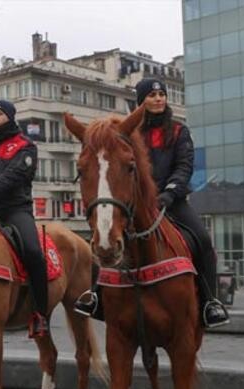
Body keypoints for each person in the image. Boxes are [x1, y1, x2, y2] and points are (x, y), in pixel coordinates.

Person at [75, 78, 229, 328]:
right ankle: (96, 295)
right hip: (136, 205)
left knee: (202, 240)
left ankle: (210, 301)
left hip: (172, 202)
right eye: (151, 95)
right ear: (140, 101)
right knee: (105, 238)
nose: (158, 98)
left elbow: (184, 166)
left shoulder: (179, 131)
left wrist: (169, 192)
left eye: (161, 94)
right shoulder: (128, 133)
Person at [0, 99, 49, 337]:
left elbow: (15, 176)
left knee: (34, 253)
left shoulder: (25, 146)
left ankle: (40, 314)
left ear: (10, 118)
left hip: (15, 210)